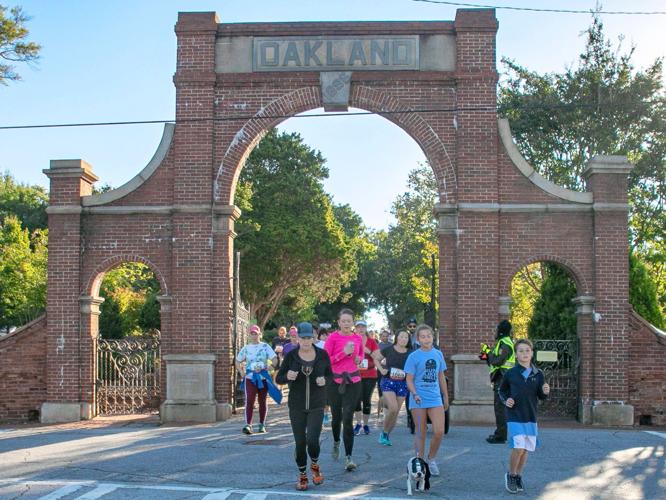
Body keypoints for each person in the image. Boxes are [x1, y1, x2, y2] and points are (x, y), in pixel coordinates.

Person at [276, 322, 332, 491]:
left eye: (309, 338)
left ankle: (314, 465)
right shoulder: (292, 356)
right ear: (298, 338)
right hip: (296, 405)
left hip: (317, 404)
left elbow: (331, 375)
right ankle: (302, 475)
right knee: (300, 442)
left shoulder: (322, 355)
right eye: (303, 338)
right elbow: (279, 378)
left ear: (313, 338)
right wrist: (288, 376)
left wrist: (325, 380)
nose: (306, 341)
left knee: (312, 440)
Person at [498, 339, 550, 494]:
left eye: (527, 350)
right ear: (516, 354)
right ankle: (511, 474)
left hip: (531, 416)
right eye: (521, 351)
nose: (524, 353)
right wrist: (506, 399)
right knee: (518, 447)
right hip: (514, 415)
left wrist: (545, 392)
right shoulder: (511, 373)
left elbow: (541, 395)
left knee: (526, 449)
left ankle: (519, 475)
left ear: (532, 353)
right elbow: (502, 391)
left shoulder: (538, 374)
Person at [405, 324, 449, 477]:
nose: (426, 339)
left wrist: (446, 396)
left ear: (433, 337)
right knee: (420, 432)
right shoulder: (413, 356)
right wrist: (415, 393)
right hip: (417, 398)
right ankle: (419, 463)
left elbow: (441, 376)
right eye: (423, 336)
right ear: (418, 339)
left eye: (428, 336)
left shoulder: (438, 354)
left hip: (435, 397)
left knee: (439, 431)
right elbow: (409, 379)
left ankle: (431, 459)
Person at [324, 308, 364, 471]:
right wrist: (343, 353)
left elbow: (360, 356)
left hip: (353, 380)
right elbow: (327, 361)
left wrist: (357, 358)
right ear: (339, 322)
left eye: (349, 321)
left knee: (348, 418)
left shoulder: (358, 338)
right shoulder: (333, 338)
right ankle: (336, 442)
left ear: (353, 323)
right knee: (336, 417)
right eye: (343, 321)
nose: (347, 324)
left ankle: (349, 457)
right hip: (335, 381)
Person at [235, 324, 279, 435]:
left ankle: (262, 424)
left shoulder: (265, 346)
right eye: (252, 333)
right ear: (249, 335)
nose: (254, 335)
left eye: (256, 333)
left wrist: (271, 367)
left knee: (262, 401)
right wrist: (241, 372)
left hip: (263, 377)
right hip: (250, 378)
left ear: (260, 334)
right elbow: (237, 361)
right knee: (249, 400)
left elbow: (274, 358)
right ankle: (248, 425)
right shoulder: (246, 348)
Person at [376, 329, 412, 446]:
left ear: (408, 340)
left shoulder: (411, 352)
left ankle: (386, 434)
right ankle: (384, 433)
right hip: (388, 381)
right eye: (401, 337)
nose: (403, 339)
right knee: (393, 408)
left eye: (406, 337)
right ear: (397, 338)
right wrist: (381, 370)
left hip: (403, 383)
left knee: (395, 413)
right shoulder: (389, 349)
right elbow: (376, 359)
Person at [482, 319, 516, 444]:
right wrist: (486, 355)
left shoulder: (505, 344)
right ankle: (499, 432)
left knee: (500, 407)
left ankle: (501, 435)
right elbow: (493, 361)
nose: (494, 332)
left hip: (503, 378)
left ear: (500, 331)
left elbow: (498, 361)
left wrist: (488, 353)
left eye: (496, 330)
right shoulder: (502, 342)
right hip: (500, 377)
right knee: (499, 406)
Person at [353, 320, 380, 436]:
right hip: (355, 374)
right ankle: (358, 424)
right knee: (356, 400)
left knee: (367, 400)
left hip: (370, 375)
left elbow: (378, 357)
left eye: (363, 327)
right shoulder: (351, 341)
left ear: (366, 328)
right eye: (358, 327)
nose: (361, 329)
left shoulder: (372, 341)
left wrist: (368, 351)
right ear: (355, 328)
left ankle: (366, 424)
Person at [316, 328, 331, 425]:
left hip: (327, 371)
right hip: (316, 371)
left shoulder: (327, 344)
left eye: (326, 335)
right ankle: (319, 413)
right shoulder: (315, 344)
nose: (325, 337)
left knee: (327, 394)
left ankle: (326, 414)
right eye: (323, 335)